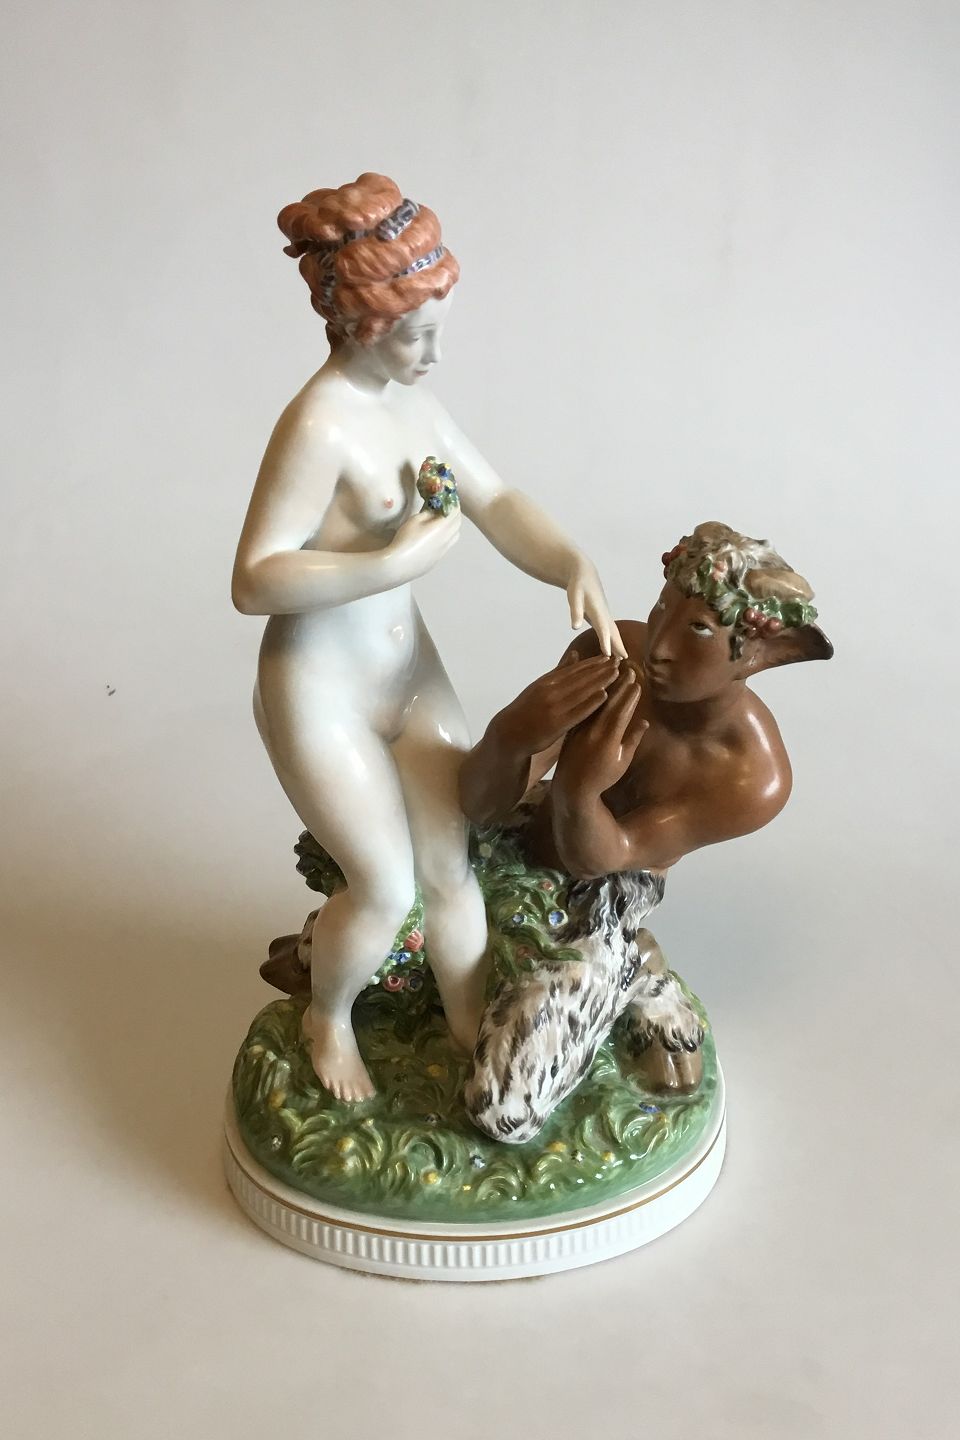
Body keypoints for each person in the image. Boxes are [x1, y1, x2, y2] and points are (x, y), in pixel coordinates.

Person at [232, 174, 622, 1102]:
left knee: (453, 863)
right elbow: (254, 578)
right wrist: (394, 561)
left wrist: (567, 559)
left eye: (438, 329)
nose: (434, 354)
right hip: (319, 690)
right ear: (359, 324)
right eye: (417, 335)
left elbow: (493, 497)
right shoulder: (318, 425)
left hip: (405, 672)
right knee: (385, 887)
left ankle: (468, 1030)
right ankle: (329, 1019)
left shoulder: (414, 404)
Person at [458, 521, 832, 1143]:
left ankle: (631, 972)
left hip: (602, 892)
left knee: (505, 1108)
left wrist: (580, 790)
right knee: (385, 869)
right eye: (662, 609)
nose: (658, 644)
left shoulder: (751, 777)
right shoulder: (610, 654)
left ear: (763, 653)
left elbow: (601, 859)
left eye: (698, 631)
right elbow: (476, 803)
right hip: (523, 829)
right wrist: (511, 734)